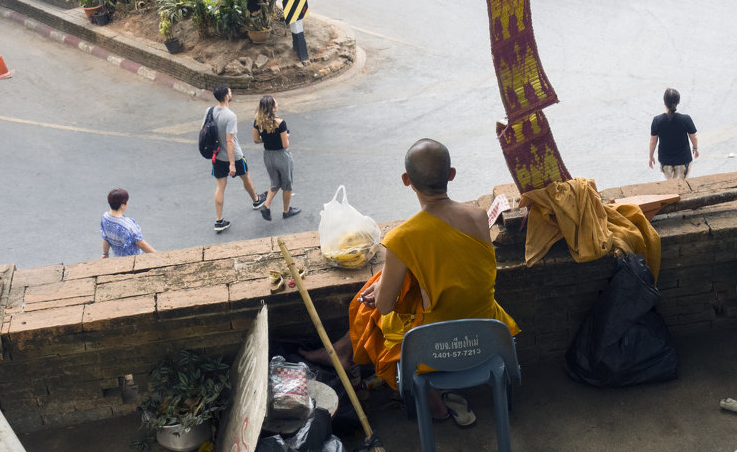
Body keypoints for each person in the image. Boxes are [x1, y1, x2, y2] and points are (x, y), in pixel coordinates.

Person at [301, 139, 519, 426]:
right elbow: (455, 265)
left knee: (372, 309)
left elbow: (385, 306)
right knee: (392, 283)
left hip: (437, 348)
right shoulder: (479, 217)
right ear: (451, 174)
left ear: (407, 181)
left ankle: (431, 401)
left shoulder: (404, 237)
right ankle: (343, 352)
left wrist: (381, 291)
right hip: (489, 334)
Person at [210, 83, 265, 232]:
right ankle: (256, 200)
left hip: (217, 156)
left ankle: (219, 221)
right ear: (227, 96)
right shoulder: (230, 116)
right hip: (234, 155)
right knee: (246, 177)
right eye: (230, 92)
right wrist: (232, 164)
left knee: (220, 187)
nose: (231, 93)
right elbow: (229, 141)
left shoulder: (210, 112)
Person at [252, 95, 301, 221]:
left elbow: (256, 140)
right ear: (273, 108)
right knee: (287, 184)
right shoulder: (280, 123)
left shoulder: (258, 121)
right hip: (281, 156)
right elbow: (285, 144)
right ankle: (286, 211)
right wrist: (286, 136)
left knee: (275, 183)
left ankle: (266, 205)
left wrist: (268, 138)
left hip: (268, 156)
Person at [648, 88, 699, 180]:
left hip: (665, 160)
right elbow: (694, 136)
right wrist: (695, 148)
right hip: (683, 160)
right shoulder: (685, 119)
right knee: (681, 185)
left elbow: (653, 141)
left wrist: (651, 157)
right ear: (678, 102)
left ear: (664, 102)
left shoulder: (657, 120)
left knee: (669, 186)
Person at [101, 188, 157, 257]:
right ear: (122, 205)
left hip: (118, 258)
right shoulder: (128, 225)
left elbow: (105, 238)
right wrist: (159, 256)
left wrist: (105, 254)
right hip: (134, 259)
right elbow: (141, 244)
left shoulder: (105, 218)